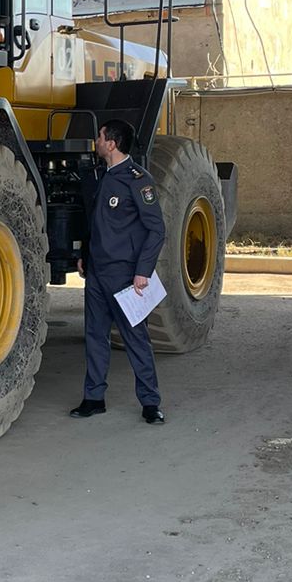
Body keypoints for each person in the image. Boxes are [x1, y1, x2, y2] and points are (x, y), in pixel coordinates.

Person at [70, 118, 167, 424]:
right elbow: (96, 222)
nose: (96, 141)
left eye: (100, 137)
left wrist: (143, 271)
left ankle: (150, 403)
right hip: (97, 273)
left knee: (136, 339)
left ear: (111, 144)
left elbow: (157, 230)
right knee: (95, 336)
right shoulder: (101, 176)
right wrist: (85, 254)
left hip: (125, 276)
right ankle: (93, 398)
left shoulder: (138, 180)